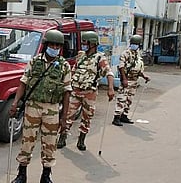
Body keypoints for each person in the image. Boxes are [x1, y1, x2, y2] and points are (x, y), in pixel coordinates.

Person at [9, 29, 72, 183]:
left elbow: (66, 92)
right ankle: (21, 174)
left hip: (52, 109)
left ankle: (46, 175)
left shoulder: (64, 66)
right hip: (33, 107)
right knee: (27, 141)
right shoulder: (35, 61)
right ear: (46, 45)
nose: (55, 48)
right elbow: (23, 83)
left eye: (58, 46)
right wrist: (15, 102)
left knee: (50, 143)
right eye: (53, 44)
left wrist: (64, 118)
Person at [57, 31, 115, 151]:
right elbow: (73, 71)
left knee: (87, 117)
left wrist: (110, 89)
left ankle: (81, 140)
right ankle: (62, 137)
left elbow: (109, 73)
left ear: (92, 44)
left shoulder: (100, 58)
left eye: (86, 42)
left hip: (90, 93)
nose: (84, 44)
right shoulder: (81, 56)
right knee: (67, 115)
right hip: (75, 91)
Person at [113, 34, 150, 126]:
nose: (135, 45)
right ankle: (116, 117)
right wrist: (124, 79)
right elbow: (121, 67)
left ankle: (124, 116)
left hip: (134, 80)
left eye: (136, 43)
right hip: (127, 80)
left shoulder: (138, 54)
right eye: (133, 43)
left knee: (129, 100)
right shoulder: (125, 53)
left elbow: (138, 68)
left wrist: (144, 76)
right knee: (122, 99)